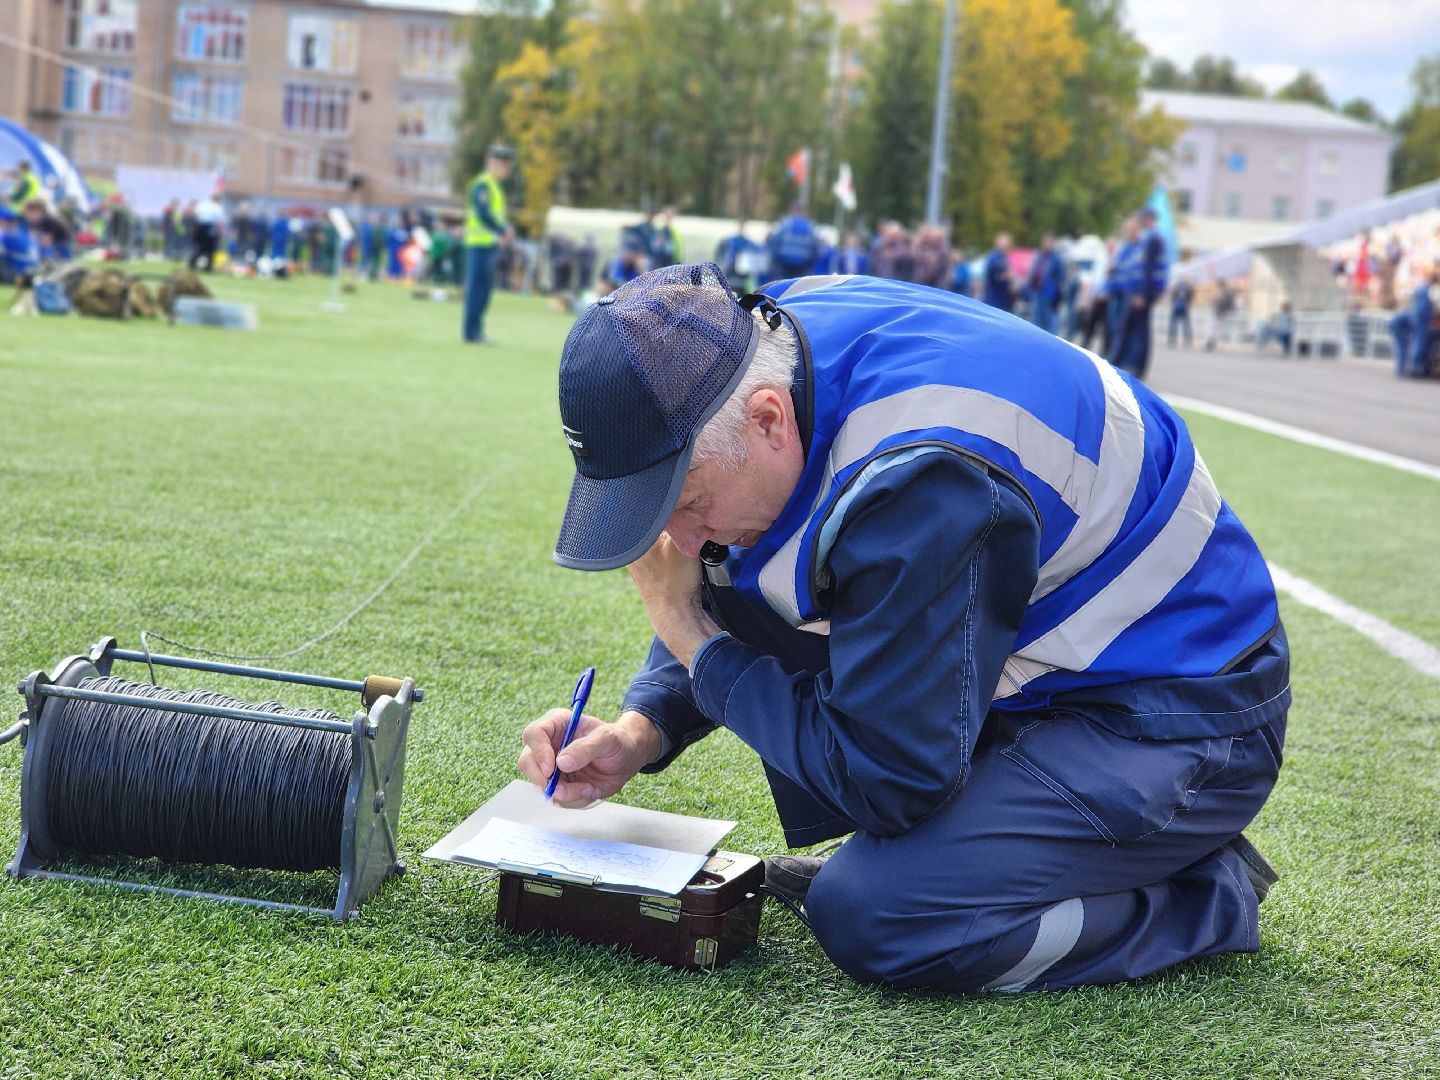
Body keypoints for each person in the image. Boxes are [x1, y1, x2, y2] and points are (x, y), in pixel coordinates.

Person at [520, 262, 1289, 994]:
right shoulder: (750, 346)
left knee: (880, 917)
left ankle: (1204, 897)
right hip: (1063, 659)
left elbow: (888, 782)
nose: (681, 545)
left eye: (685, 504)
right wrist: (642, 728)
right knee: (754, 543)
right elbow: (733, 575)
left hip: (1177, 713)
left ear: (768, 420)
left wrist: (686, 631)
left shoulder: (925, 480)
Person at [462, 145, 513, 344]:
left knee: (484, 290)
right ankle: (471, 332)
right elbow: (483, 213)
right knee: (477, 290)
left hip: (489, 245)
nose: (507, 170)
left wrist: (501, 232)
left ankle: (476, 330)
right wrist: (502, 230)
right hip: (478, 245)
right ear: (495, 163)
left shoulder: (494, 186)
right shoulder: (483, 184)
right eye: (505, 165)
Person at [1110, 208, 1168, 379]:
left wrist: (1142, 294)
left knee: (1140, 331)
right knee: (1131, 329)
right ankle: (1125, 363)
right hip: (1136, 292)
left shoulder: (1152, 239)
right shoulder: (1148, 239)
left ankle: (1137, 367)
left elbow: (1148, 270)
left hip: (1142, 293)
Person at [767, 204, 820, 281]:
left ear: (792, 210)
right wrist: (811, 263)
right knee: (799, 285)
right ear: (804, 212)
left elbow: (775, 243)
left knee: (785, 284)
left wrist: (775, 260)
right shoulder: (810, 226)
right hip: (803, 265)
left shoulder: (785, 223)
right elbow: (816, 247)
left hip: (785, 263)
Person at [1026, 234, 1065, 335]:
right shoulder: (1039, 256)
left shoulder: (1056, 258)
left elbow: (1060, 276)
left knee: (1049, 317)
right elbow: (1033, 272)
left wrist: (1054, 290)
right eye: (1045, 242)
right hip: (1037, 290)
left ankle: (1049, 337)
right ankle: (1037, 336)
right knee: (1037, 316)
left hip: (1049, 291)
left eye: (1049, 242)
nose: (1047, 245)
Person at [189, 193, 224, 271]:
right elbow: (219, 221)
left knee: (198, 247)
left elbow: (195, 216)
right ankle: (208, 267)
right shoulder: (217, 207)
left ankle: (192, 264)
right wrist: (219, 233)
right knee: (210, 249)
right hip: (210, 228)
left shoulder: (202, 204)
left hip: (199, 227)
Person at [981, 232, 1014, 312]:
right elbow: (994, 276)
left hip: (1004, 299)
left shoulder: (1004, 257)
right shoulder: (993, 257)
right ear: (998, 243)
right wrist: (1006, 276)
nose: (1006, 246)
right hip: (994, 299)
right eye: (1004, 242)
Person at [1168, 279, 1195, 348]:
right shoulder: (1188, 287)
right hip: (1184, 307)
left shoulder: (1176, 287)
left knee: (1174, 323)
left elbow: (1172, 296)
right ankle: (1187, 339)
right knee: (1185, 324)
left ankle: (1172, 339)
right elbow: (1191, 296)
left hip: (1175, 307)